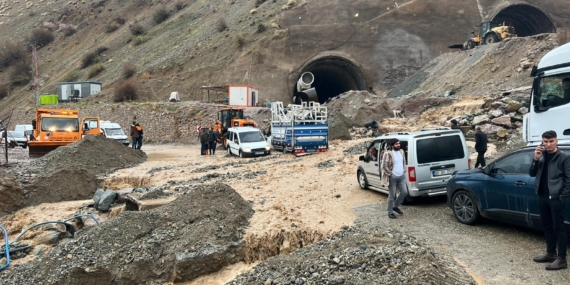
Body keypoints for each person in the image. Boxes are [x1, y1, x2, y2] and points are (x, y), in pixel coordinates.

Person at [529, 130, 570, 270]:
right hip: (542, 196)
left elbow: (569, 180)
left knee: (559, 228)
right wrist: (535, 158)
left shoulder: (564, 157)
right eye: (545, 142)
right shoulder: (542, 155)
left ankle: (562, 259)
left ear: (556, 141)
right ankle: (551, 253)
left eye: (551, 141)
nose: (548, 144)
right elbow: (532, 173)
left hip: (556, 198)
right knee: (546, 226)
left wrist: (562, 197)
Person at [381, 139, 408, 219]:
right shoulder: (388, 153)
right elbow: (384, 165)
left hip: (401, 176)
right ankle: (390, 212)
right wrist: (390, 174)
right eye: (396, 144)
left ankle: (395, 206)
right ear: (392, 145)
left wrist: (404, 169)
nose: (399, 145)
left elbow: (404, 161)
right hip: (393, 177)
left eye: (399, 143)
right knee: (392, 195)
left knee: (404, 192)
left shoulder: (401, 152)